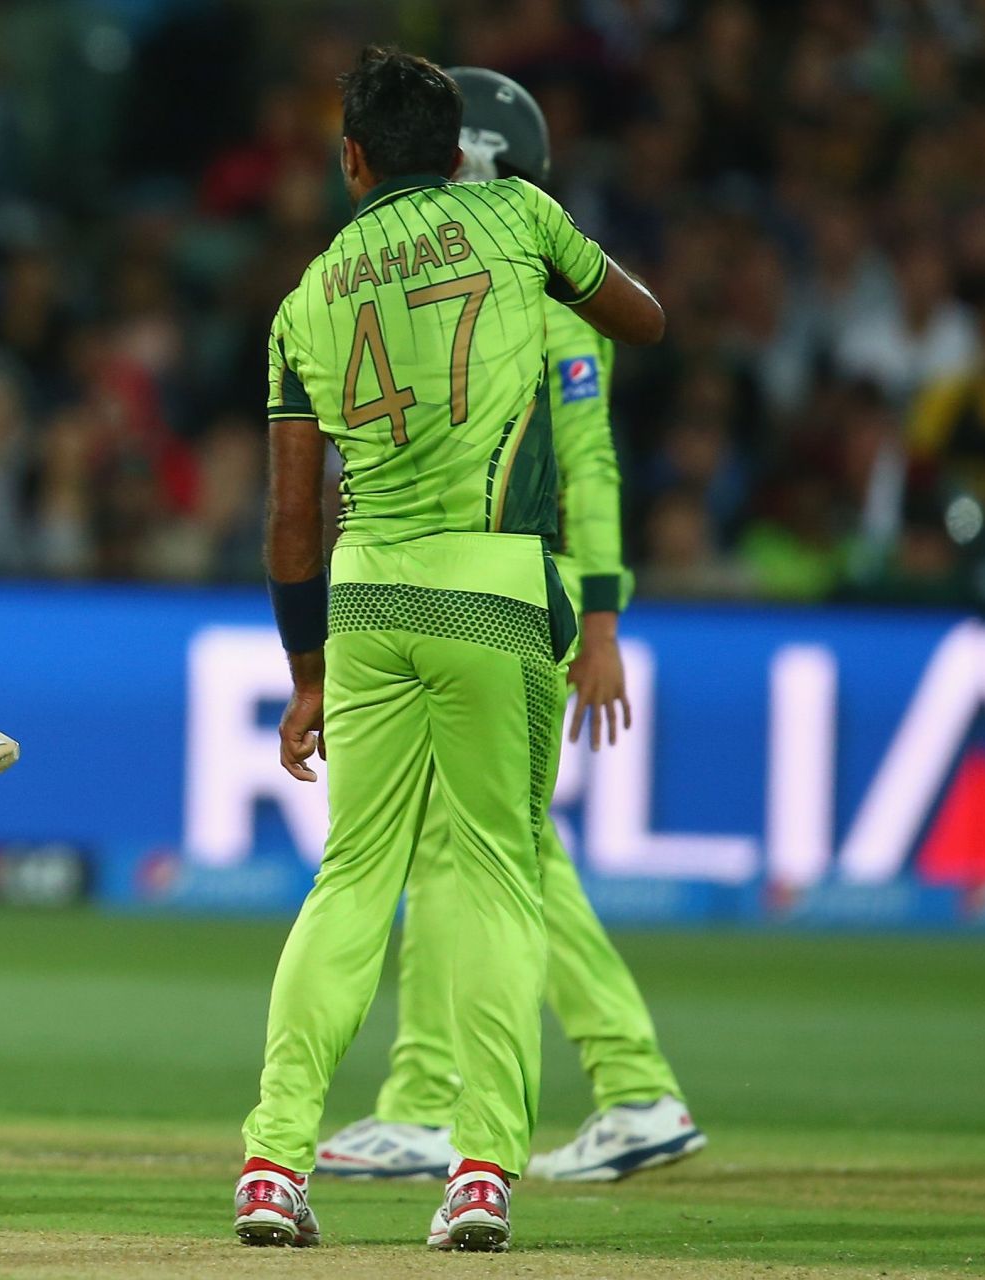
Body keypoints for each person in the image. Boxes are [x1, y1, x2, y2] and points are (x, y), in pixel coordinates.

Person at [233, 47, 664, 1253]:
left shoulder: (308, 296)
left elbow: (286, 517)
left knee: (351, 882)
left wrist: (306, 671)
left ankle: (272, 1161)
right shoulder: (520, 213)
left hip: (365, 598)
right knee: (492, 877)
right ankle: (478, 1171)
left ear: (353, 159)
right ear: (456, 148)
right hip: (495, 589)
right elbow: (646, 317)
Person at [315, 67, 705, 1187]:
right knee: (506, 848)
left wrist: (601, 614)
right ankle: (619, 1086)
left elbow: (587, 462)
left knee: (472, 848)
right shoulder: (525, 282)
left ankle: (449, 1101)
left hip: (505, 593)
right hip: (496, 594)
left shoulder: (537, 294)